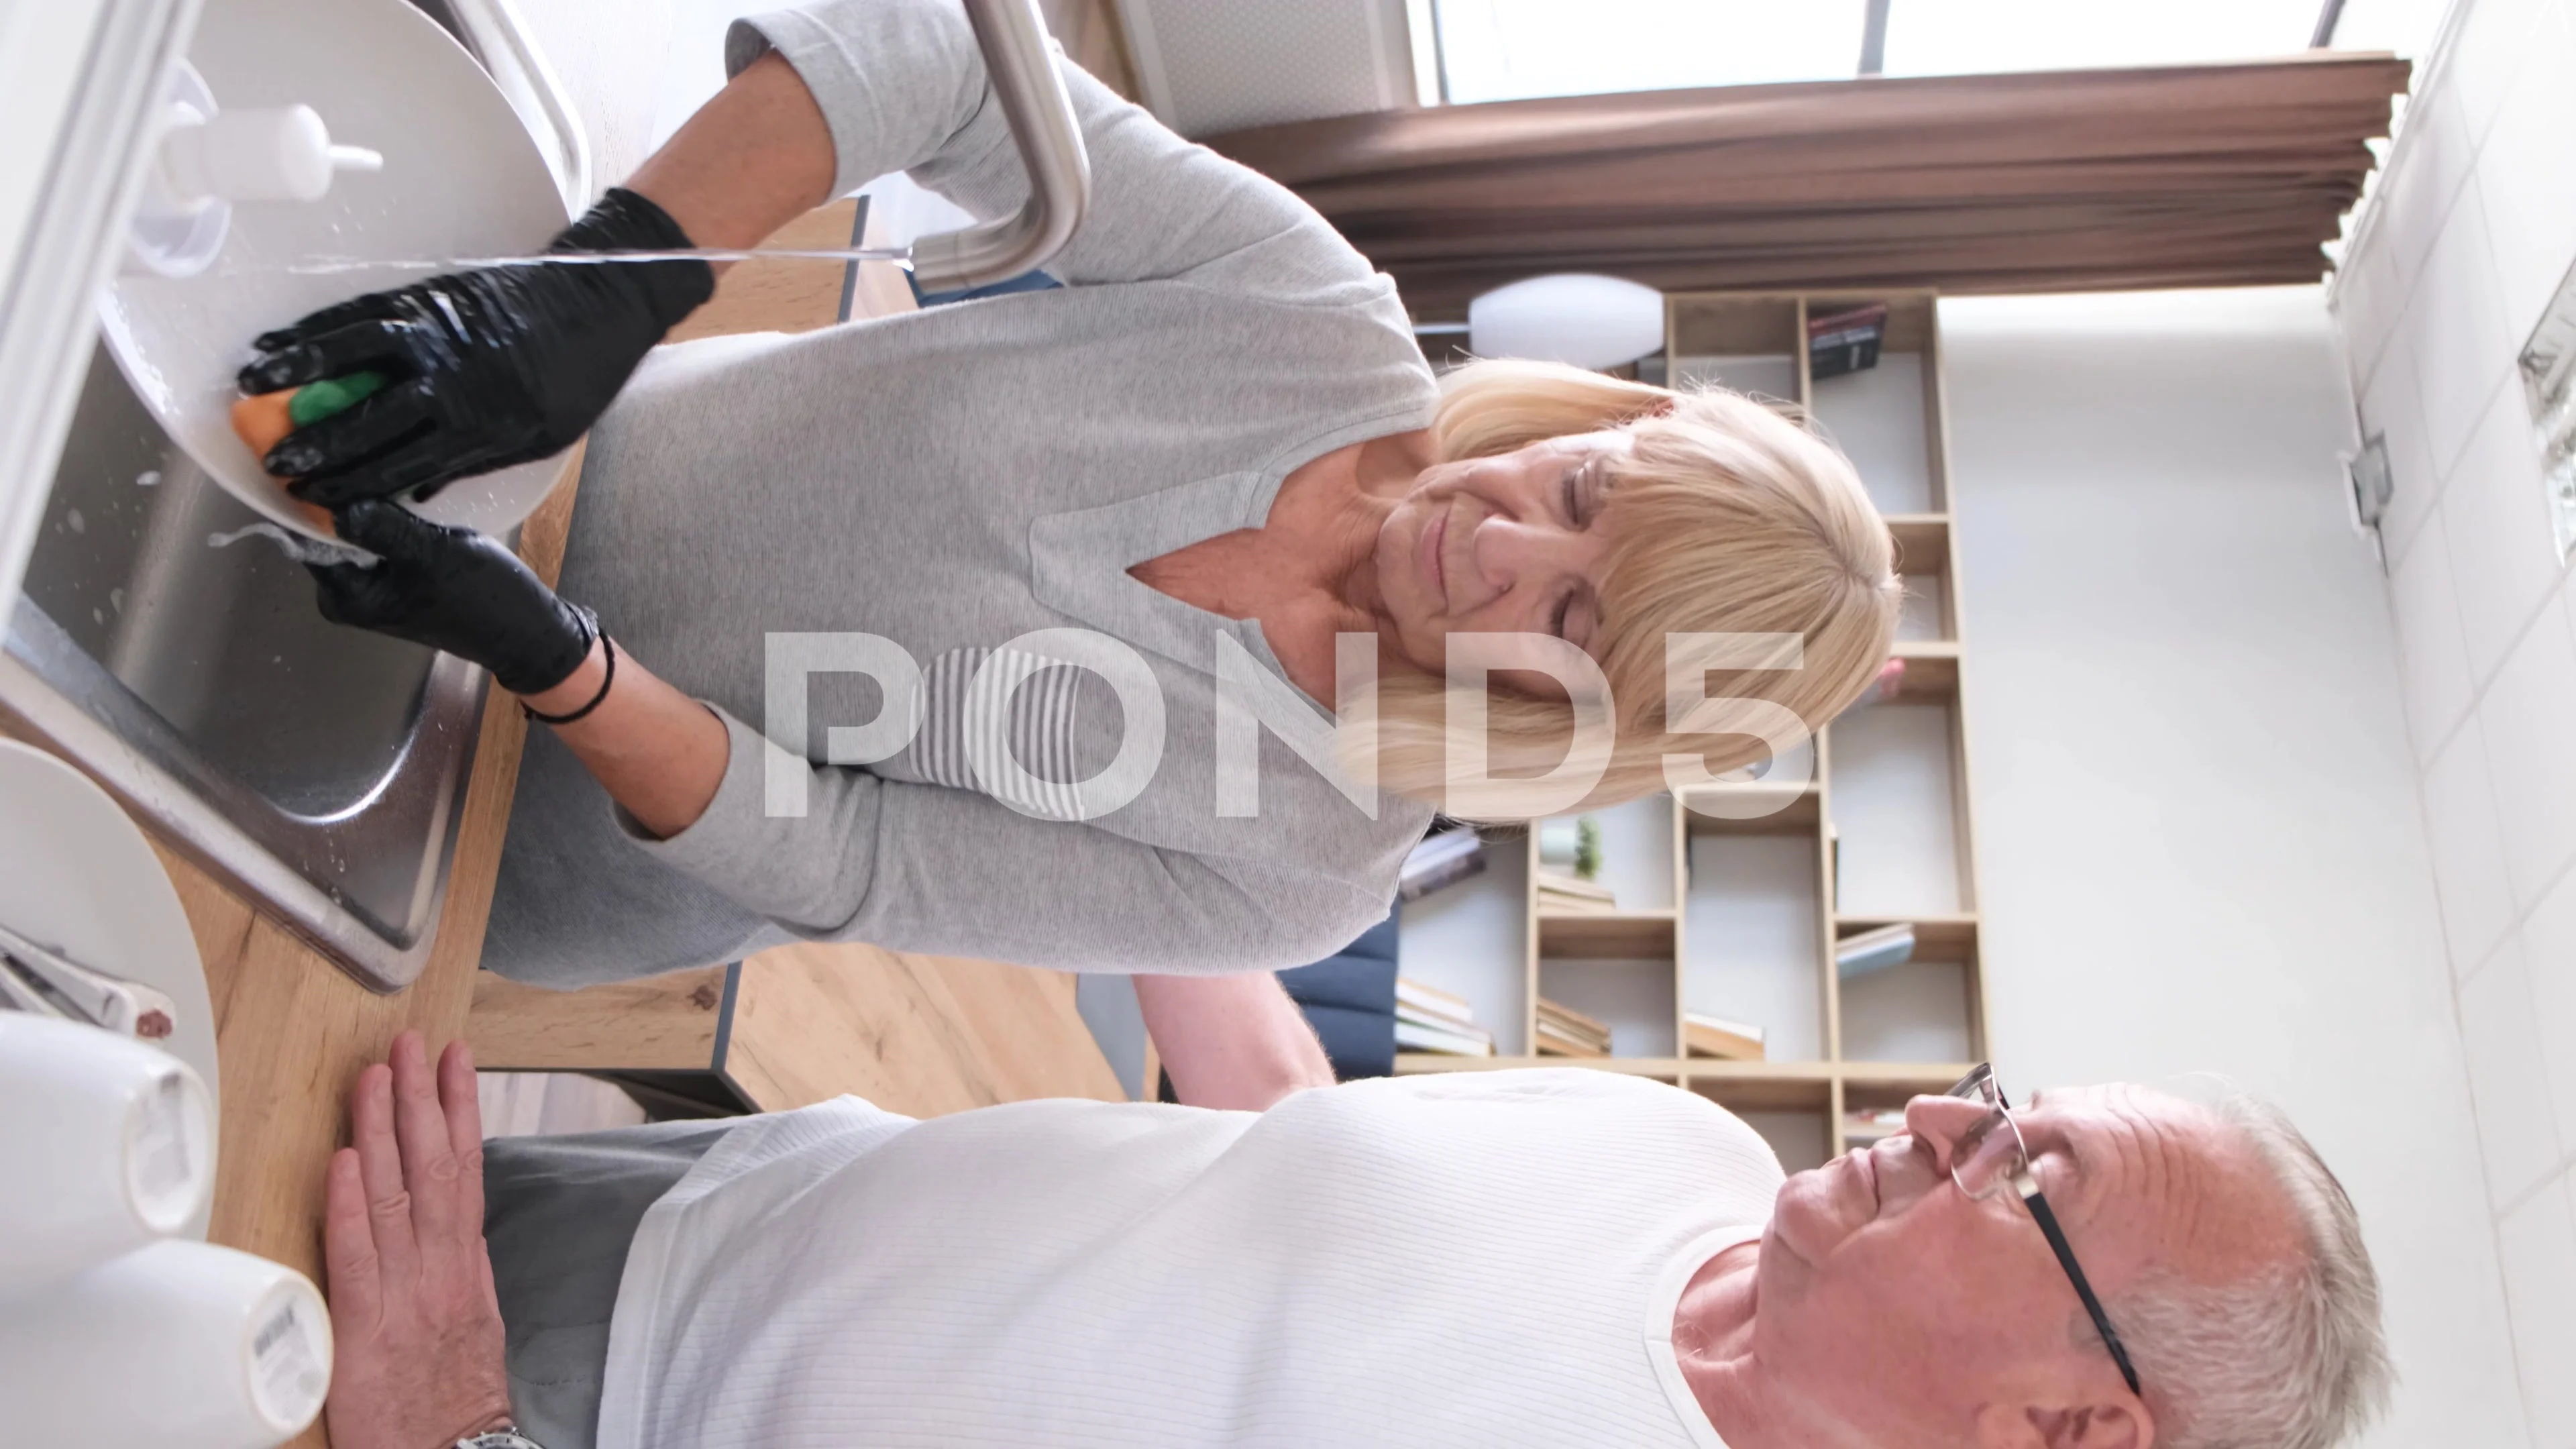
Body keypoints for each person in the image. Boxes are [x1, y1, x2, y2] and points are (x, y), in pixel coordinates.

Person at [246, 0, 1900, 989]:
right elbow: (949, 60)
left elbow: (855, 863)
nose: (1508, 534)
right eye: (1588, 487)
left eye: (1571, 612)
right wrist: (589, 299)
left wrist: (564, 668)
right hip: (494, 436)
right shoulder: (1308, 317)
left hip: (481, 834)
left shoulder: (1306, 868)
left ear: (1580, 718)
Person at [326, 999, 2388, 1449]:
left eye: (2028, 1178)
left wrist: (443, 1433)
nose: (1948, 1113)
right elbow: (1320, 1168)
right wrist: (1175, 870)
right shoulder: (1681, 1148)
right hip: (713, 1203)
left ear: (2082, 1432)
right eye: (2010, 1099)